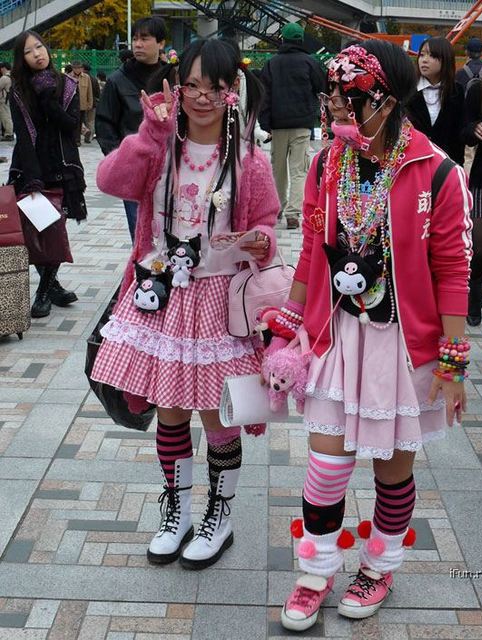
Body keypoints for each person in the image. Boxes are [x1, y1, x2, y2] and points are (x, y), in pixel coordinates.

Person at [267, 40, 472, 631]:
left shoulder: (436, 171)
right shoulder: (326, 163)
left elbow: (452, 270)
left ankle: (379, 564)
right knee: (326, 466)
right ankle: (314, 571)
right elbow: (310, 249)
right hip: (337, 335)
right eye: (331, 93)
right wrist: (287, 330)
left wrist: (452, 365)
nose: (332, 103)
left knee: (392, 471)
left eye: (345, 94)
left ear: (385, 98)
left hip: (402, 347)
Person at [90, 38, 280, 569]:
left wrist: (261, 240)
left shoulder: (249, 160)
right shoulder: (158, 148)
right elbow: (109, 180)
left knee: (217, 416)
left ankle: (219, 516)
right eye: (191, 85)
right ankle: (175, 511)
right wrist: (149, 131)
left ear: (231, 93)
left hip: (220, 302)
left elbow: (267, 220)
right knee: (170, 411)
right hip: (162, 295)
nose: (200, 97)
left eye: (213, 87)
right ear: (176, 88)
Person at [8, 31, 87, 318]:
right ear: (22, 58)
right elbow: (23, 137)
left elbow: (71, 125)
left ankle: (43, 292)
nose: (37, 54)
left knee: (55, 231)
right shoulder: (18, 90)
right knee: (33, 231)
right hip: (31, 168)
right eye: (29, 51)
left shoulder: (67, 85)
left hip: (62, 168)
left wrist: (48, 100)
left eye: (39, 47)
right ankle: (52, 287)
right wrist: (32, 178)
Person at [95, 16, 166, 243]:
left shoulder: (173, 77)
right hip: (136, 170)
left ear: (161, 43)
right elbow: (104, 124)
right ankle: (141, 276)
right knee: (141, 234)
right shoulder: (118, 80)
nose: (137, 44)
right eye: (135, 39)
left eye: (144, 39)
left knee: (173, 232)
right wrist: (121, 160)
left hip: (170, 169)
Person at [259, 22, 324, 229]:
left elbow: (264, 95)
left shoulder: (272, 63)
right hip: (302, 124)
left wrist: (265, 123)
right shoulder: (309, 62)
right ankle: (293, 214)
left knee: (277, 169)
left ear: (283, 40)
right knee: (299, 170)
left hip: (278, 125)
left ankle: (277, 207)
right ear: (300, 40)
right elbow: (321, 88)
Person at [405, 36, 465, 166]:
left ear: (445, 59)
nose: (424, 60)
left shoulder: (457, 91)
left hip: (447, 165)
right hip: (413, 163)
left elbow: (459, 134)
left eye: (432, 56)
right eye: (421, 55)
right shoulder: (408, 89)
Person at [463, 68, 482, 326]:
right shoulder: (479, 89)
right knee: (480, 247)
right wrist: (475, 129)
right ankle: (474, 302)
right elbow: (465, 127)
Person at [70, 60, 93, 145]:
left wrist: (90, 103)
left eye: (79, 68)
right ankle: (75, 139)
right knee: (74, 122)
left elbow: (89, 91)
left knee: (80, 122)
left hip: (82, 104)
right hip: (72, 105)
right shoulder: (68, 77)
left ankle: (78, 140)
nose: (77, 70)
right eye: (75, 68)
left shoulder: (86, 77)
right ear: (72, 68)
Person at [82, 63, 100, 142]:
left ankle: (85, 131)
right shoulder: (94, 79)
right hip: (93, 103)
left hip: (82, 103)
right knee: (91, 120)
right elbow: (97, 92)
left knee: (81, 119)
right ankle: (89, 137)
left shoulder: (81, 78)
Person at [0, 61, 14, 141]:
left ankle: (9, 134)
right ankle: (8, 133)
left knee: (6, 117)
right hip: (9, 99)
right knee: (7, 116)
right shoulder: (12, 76)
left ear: (4, 68)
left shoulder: (4, 78)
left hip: (4, 100)